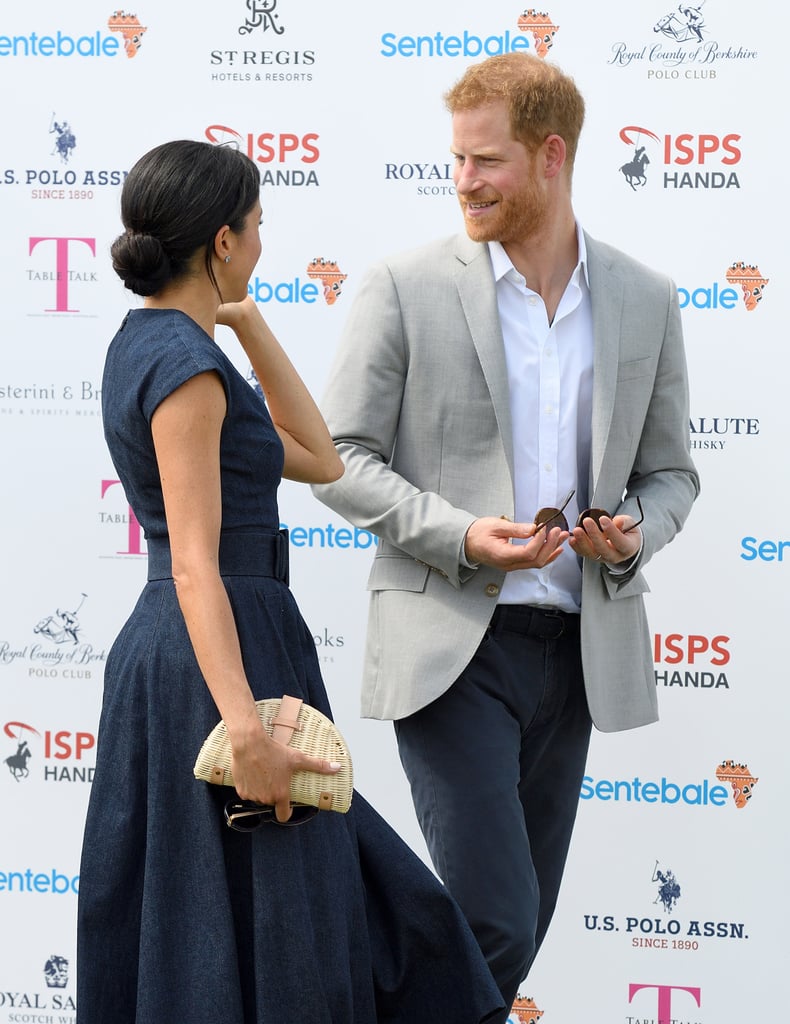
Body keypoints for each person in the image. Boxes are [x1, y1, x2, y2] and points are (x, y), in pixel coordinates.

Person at [76, 140, 503, 1024]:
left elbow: (315, 453)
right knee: (250, 916)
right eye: (259, 226)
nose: (264, 242)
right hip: (215, 653)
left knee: (274, 911)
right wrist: (244, 730)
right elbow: (194, 562)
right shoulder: (184, 369)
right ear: (223, 242)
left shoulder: (170, 346)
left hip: (234, 639)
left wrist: (248, 321)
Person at [312, 53, 699, 1020]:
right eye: (456, 159)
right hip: (451, 644)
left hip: (575, 649)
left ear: (552, 156)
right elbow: (336, 457)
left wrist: (630, 536)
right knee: (495, 921)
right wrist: (460, 535)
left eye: (485, 161)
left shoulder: (645, 297)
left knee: (517, 938)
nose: (464, 182)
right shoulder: (402, 286)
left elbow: (673, 476)